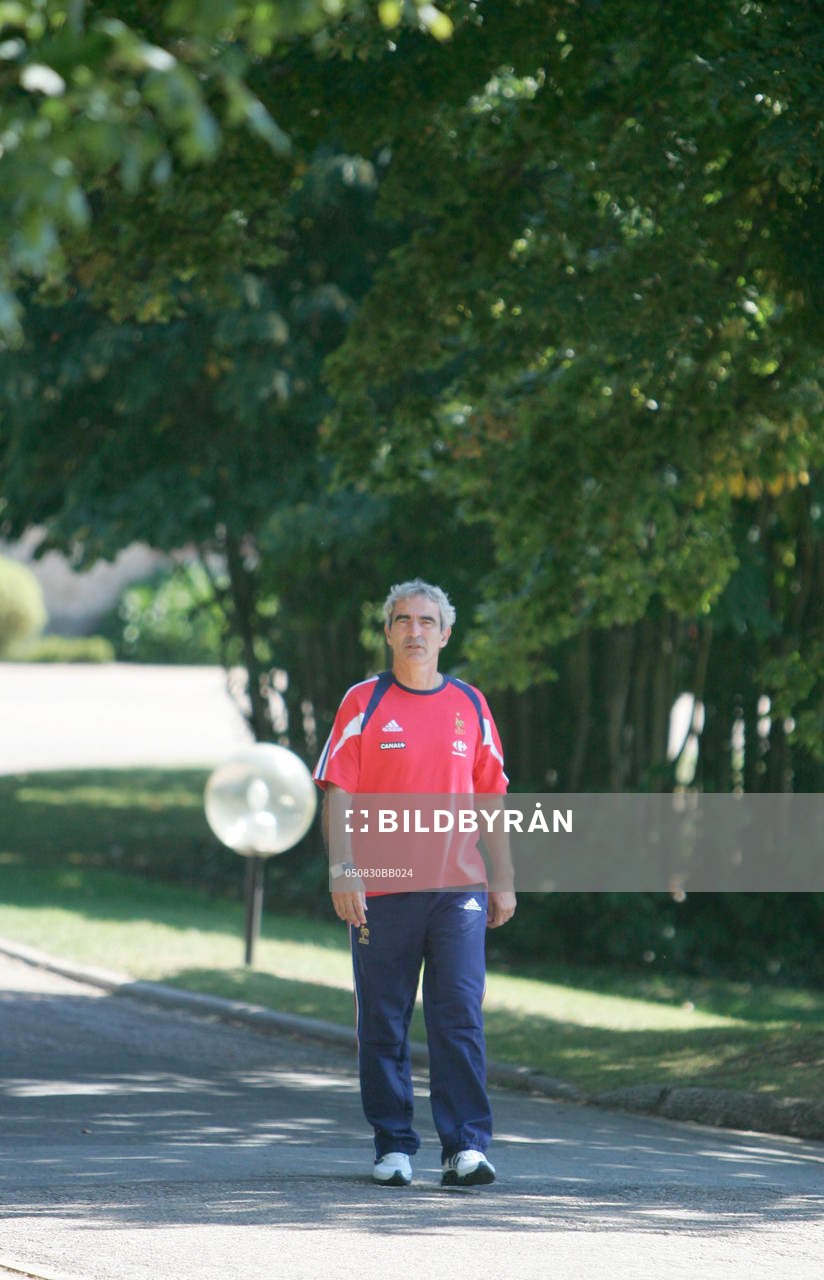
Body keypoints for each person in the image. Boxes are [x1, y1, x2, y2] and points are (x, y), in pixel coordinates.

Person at [313, 578, 516, 1188]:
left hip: (458, 889)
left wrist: (504, 878)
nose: (415, 631)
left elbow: (491, 796)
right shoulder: (363, 702)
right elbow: (338, 792)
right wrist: (343, 869)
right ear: (388, 631)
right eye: (403, 620)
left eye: (427, 621)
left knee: (459, 1016)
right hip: (382, 887)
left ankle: (465, 1148)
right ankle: (394, 1146)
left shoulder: (471, 704)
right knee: (384, 1019)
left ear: (445, 634)